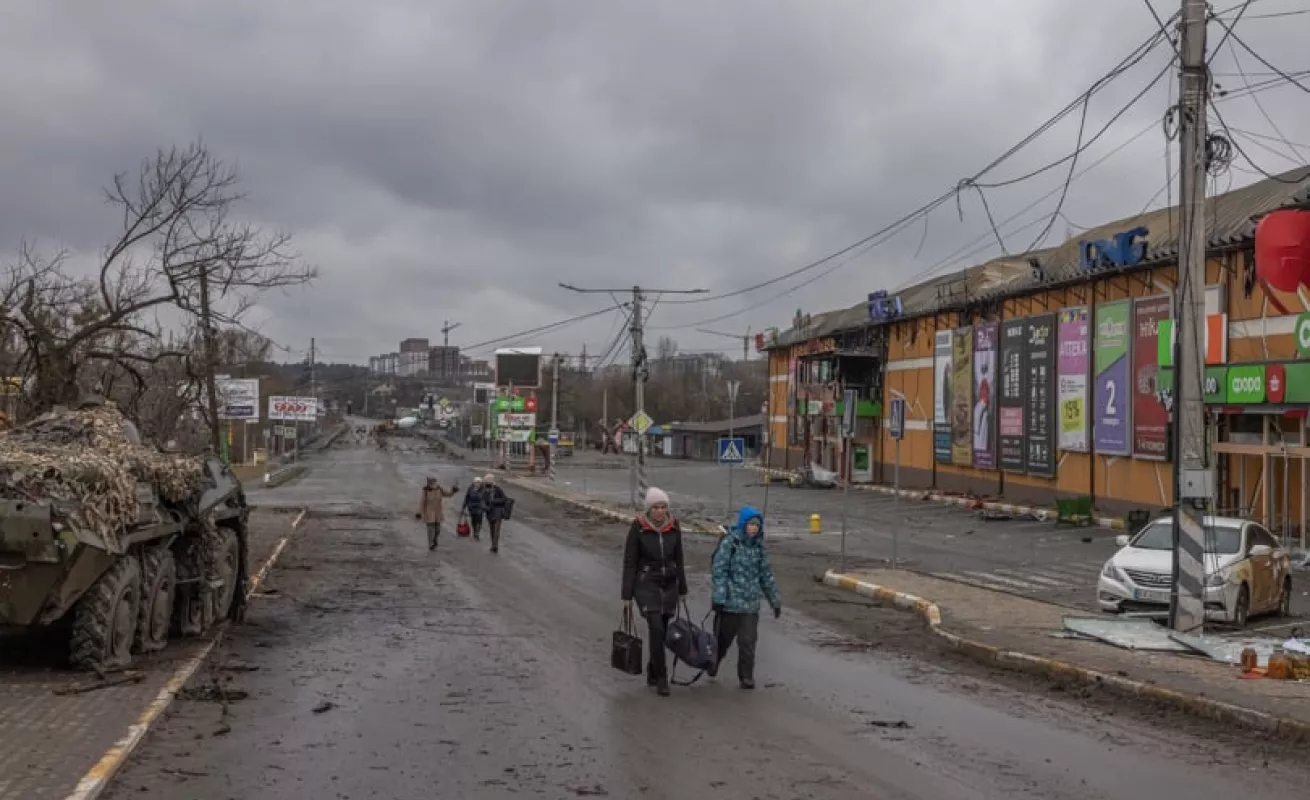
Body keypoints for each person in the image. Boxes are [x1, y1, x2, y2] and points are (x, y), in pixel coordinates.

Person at [620, 487, 687, 697]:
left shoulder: (674, 526)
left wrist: (682, 588)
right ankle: (661, 677)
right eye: (656, 507)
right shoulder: (638, 528)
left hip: (668, 585)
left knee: (662, 630)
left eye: (663, 507)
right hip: (646, 583)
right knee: (656, 626)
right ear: (649, 509)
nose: (660, 511)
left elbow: (679, 558)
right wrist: (626, 594)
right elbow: (630, 562)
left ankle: (652, 669)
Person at [710, 505, 782, 690]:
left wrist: (775, 601)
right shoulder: (730, 543)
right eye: (750, 524)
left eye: (757, 525)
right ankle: (713, 663)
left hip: (750, 606)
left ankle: (746, 676)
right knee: (722, 641)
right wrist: (719, 597)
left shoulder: (759, 549)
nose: (754, 528)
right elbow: (720, 571)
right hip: (730, 605)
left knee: (748, 642)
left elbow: (767, 576)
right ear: (743, 525)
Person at [416, 476, 459, 551]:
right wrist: (419, 513)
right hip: (429, 514)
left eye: (435, 481)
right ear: (429, 483)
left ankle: (435, 540)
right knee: (430, 530)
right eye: (432, 482)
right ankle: (431, 544)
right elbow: (422, 503)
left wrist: (453, 490)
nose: (434, 483)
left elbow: (448, 494)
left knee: (438, 530)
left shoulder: (439, 489)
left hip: (438, 513)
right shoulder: (425, 490)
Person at [481, 473, 509, 553]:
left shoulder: (498, 489)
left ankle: (495, 546)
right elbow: (482, 501)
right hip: (489, 513)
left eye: (487, 483)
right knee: (492, 530)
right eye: (486, 483)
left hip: (498, 513)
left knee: (497, 530)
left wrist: (494, 501)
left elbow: (505, 499)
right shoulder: (484, 490)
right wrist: (485, 507)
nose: (487, 485)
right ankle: (493, 543)